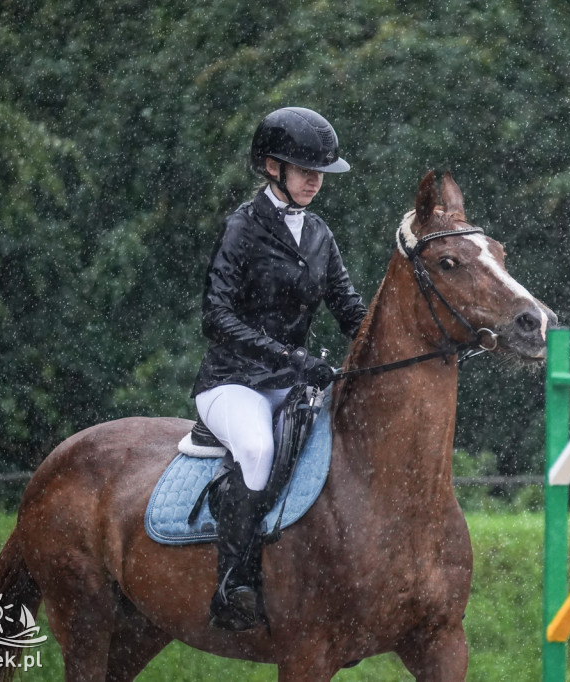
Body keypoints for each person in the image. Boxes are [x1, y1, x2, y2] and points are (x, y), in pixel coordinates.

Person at [191, 107, 367, 630]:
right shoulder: (242, 228)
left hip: (290, 385)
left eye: (320, 173)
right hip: (232, 382)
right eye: (303, 169)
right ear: (272, 167)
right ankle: (233, 584)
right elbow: (215, 317)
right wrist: (293, 358)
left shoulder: (318, 234)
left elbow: (349, 308)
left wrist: (387, 344)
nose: (315, 181)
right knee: (258, 449)